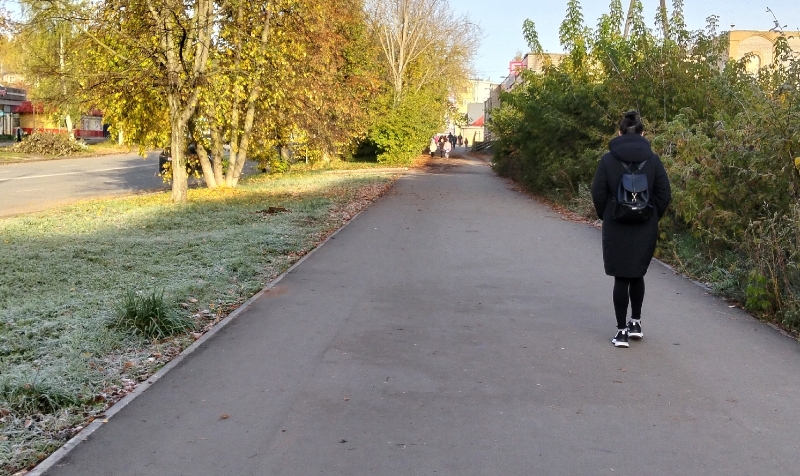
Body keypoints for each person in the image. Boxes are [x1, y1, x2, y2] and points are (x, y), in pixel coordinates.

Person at [590, 110, 671, 348]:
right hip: (645, 225)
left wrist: (607, 215)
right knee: (637, 273)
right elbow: (664, 193)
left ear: (620, 133)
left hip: (616, 224)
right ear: (643, 134)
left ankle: (621, 331)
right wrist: (652, 216)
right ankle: (635, 323)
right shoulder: (653, 160)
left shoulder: (608, 160)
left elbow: (598, 192)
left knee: (621, 277)